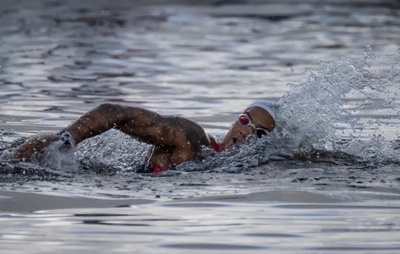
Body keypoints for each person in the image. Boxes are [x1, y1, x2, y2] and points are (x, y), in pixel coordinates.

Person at [11, 100, 277, 173]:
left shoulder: (238, 170)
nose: (247, 134)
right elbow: (114, 111)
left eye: (261, 134)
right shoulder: (191, 138)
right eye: (245, 121)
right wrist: (67, 142)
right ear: (236, 120)